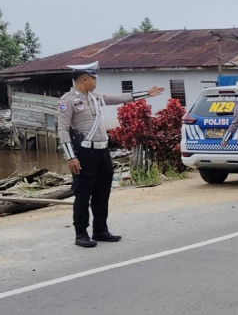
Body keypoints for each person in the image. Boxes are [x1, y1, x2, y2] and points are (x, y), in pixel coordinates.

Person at [58, 62, 164, 248]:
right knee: (83, 194)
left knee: (102, 192)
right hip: (84, 153)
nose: (96, 82)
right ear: (84, 79)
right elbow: (63, 130)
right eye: (94, 78)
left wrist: (146, 93)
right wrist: (70, 157)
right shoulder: (67, 101)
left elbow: (119, 98)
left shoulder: (95, 97)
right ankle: (81, 234)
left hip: (102, 151)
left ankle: (100, 230)